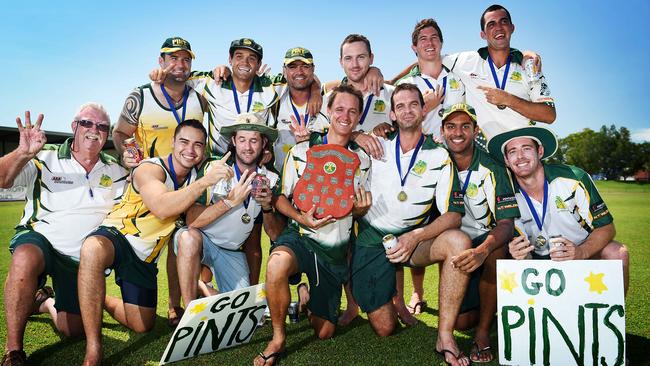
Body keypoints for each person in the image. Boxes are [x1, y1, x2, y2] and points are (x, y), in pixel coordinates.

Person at [77, 120, 233, 366]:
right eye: (184, 142)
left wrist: (231, 200)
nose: (190, 150)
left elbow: (194, 219)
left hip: (145, 256)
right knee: (92, 249)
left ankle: (98, 299)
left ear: (203, 151)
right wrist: (205, 182)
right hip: (118, 236)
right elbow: (161, 207)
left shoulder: (194, 177)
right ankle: (93, 350)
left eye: (197, 145)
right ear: (172, 142)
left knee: (142, 325)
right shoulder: (150, 168)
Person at [354, 83, 472, 365]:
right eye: (400, 106)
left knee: (459, 241)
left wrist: (415, 236)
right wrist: (358, 134)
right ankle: (392, 300)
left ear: (423, 110)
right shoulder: (376, 146)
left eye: (413, 105)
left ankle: (445, 336)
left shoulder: (439, 155)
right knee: (384, 328)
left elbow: (453, 215)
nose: (407, 110)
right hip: (373, 240)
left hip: (413, 242)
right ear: (392, 114)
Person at [1, 105, 127, 366]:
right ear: (74, 127)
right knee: (24, 258)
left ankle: (45, 301)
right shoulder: (43, 156)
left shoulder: (116, 170)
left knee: (74, 329)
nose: (95, 131)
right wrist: (21, 153)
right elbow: (3, 179)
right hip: (41, 239)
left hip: (81, 261)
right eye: (88, 124)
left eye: (103, 127)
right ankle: (13, 351)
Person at [254, 85, 372, 366]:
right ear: (328, 111)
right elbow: (281, 198)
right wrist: (300, 218)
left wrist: (359, 210)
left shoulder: (363, 160)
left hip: (333, 250)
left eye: (352, 111)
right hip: (302, 235)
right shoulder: (302, 150)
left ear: (358, 118)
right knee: (276, 264)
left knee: (324, 332)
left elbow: (355, 207)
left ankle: (305, 295)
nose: (345, 116)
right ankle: (278, 338)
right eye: (340, 109)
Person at [112, 36, 206, 327]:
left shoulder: (199, 96)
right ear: (161, 62)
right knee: (150, 245)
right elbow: (120, 133)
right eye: (173, 58)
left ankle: (175, 306)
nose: (180, 64)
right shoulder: (140, 95)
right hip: (151, 187)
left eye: (186, 59)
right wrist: (127, 154)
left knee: (181, 243)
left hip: (186, 182)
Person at [384, 18, 467, 322]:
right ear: (414, 47)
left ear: (441, 43)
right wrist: (428, 105)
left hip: (452, 162)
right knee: (408, 226)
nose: (429, 43)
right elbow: (396, 118)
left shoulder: (458, 79)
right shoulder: (410, 85)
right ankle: (412, 295)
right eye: (423, 39)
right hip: (417, 165)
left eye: (434, 38)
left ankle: (451, 300)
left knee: (449, 228)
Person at [487, 127, 629, 293]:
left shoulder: (573, 177)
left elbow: (607, 227)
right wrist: (517, 253)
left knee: (618, 252)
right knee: (499, 255)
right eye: (512, 151)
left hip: (580, 251)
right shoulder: (503, 191)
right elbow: (512, 238)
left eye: (526, 148)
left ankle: (611, 317)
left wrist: (581, 252)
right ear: (506, 159)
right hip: (535, 260)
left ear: (539, 151)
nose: (520, 157)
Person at [175, 115, 286, 307]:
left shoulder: (270, 178)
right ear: (233, 141)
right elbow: (191, 220)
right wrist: (228, 202)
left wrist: (267, 208)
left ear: (263, 143)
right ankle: (189, 312)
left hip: (231, 251)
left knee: (243, 312)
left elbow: (270, 237)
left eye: (254, 140)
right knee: (188, 238)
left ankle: (202, 286)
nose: (247, 147)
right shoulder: (214, 168)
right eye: (242, 140)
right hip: (203, 241)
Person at [440, 103, 520, 363]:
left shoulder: (493, 166)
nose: (458, 132)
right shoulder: (437, 161)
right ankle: (494, 306)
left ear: (475, 131)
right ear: (442, 131)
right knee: (462, 322)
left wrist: (482, 250)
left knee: (497, 249)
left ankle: (484, 333)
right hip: (456, 245)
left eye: (465, 126)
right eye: (451, 126)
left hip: (487, 242)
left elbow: (507, 224)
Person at [442, 4, 556, 143]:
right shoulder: (467, 61)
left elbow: (549, 115)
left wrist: (509, 100)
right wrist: (406, 77)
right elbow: (428, 59)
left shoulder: (529, 66)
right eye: (491, 24)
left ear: (512, 28)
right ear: (483, 35)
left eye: (504, 22)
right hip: (484, 153)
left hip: (519, 150)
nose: (498, 27)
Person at [270, 47, 330, 173]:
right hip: (282, 183)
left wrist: (375, 72)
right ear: (284, 71)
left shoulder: (328, 101)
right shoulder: (275, 96)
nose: (299, 71)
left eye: (305, 66)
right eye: (292, 66)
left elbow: (349, 84)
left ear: (313, 69)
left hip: (318, 181)